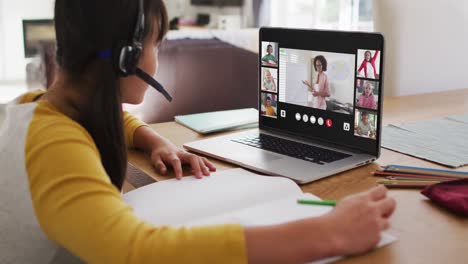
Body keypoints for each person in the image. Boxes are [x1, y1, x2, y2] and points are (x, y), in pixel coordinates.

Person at [0, 1, 395, 263]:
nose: (157, 58)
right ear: (128, 56)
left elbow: (102, 118)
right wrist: (329, 233)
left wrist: (151, 138)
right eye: (158, 43)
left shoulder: (39, 108)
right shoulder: (55, 146)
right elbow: (135, 252)